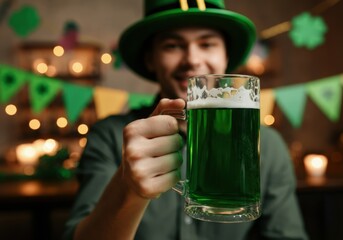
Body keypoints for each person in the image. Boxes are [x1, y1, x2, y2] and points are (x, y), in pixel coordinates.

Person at [63, 0, 308, 239]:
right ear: (151, 59)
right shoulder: (110, 135)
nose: (191, 59)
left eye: (207, 44)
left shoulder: (269, 146)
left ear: (226, 56)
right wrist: (129, 190)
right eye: (172, 45)